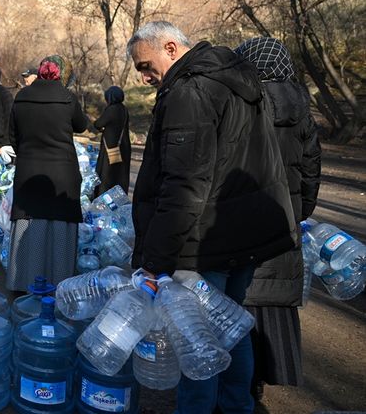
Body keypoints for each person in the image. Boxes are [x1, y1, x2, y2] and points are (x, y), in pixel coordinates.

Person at [128, 21, 297, 414]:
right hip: (244, 234)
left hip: (207, 243)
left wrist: (155, 259)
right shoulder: (237, 81)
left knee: (198, 341)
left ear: (171, 48)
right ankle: (236, 406)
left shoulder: (190, 91)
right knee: (232, 327)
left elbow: (185, 185)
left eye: (146, 64)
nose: (144, 75)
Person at [234, 37, 322, 401]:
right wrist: (297, 213)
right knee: (275, 298)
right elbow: (311, 170)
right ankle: (267, 373)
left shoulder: (243, 103)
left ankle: (241, 381)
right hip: (284, 223)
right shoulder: (303, 108)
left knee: (242, 299)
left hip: (243, 222)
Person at [7, 55, 88, 291]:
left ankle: (23, 282)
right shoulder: (67, 98)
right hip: (62, 172)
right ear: (60, 74)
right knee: (60, 223)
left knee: (28, 222)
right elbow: (81, 125)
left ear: (39, 73)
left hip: (29, 171)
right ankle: (59, 283)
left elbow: (13, 136)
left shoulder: (22, 97)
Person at [93, 86, 131, 196]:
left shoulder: (111, 109)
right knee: (119, 177)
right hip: (123, 147)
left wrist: (100, 127)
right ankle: (119, 198)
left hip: (111, 148)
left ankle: (103, 200)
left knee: (107, 177)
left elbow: (98, 124)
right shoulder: (124, 109)